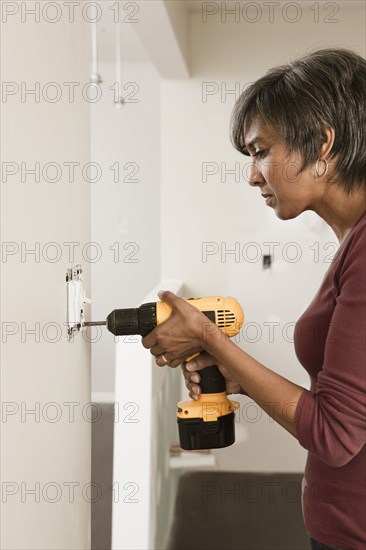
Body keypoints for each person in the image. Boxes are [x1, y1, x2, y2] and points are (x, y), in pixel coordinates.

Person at [141, 49, 366, 550]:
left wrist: (207, 337)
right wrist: (238, 373)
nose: (252, 175)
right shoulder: (352, 241)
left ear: (323, 141)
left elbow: (336, 434)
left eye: (261, 150)